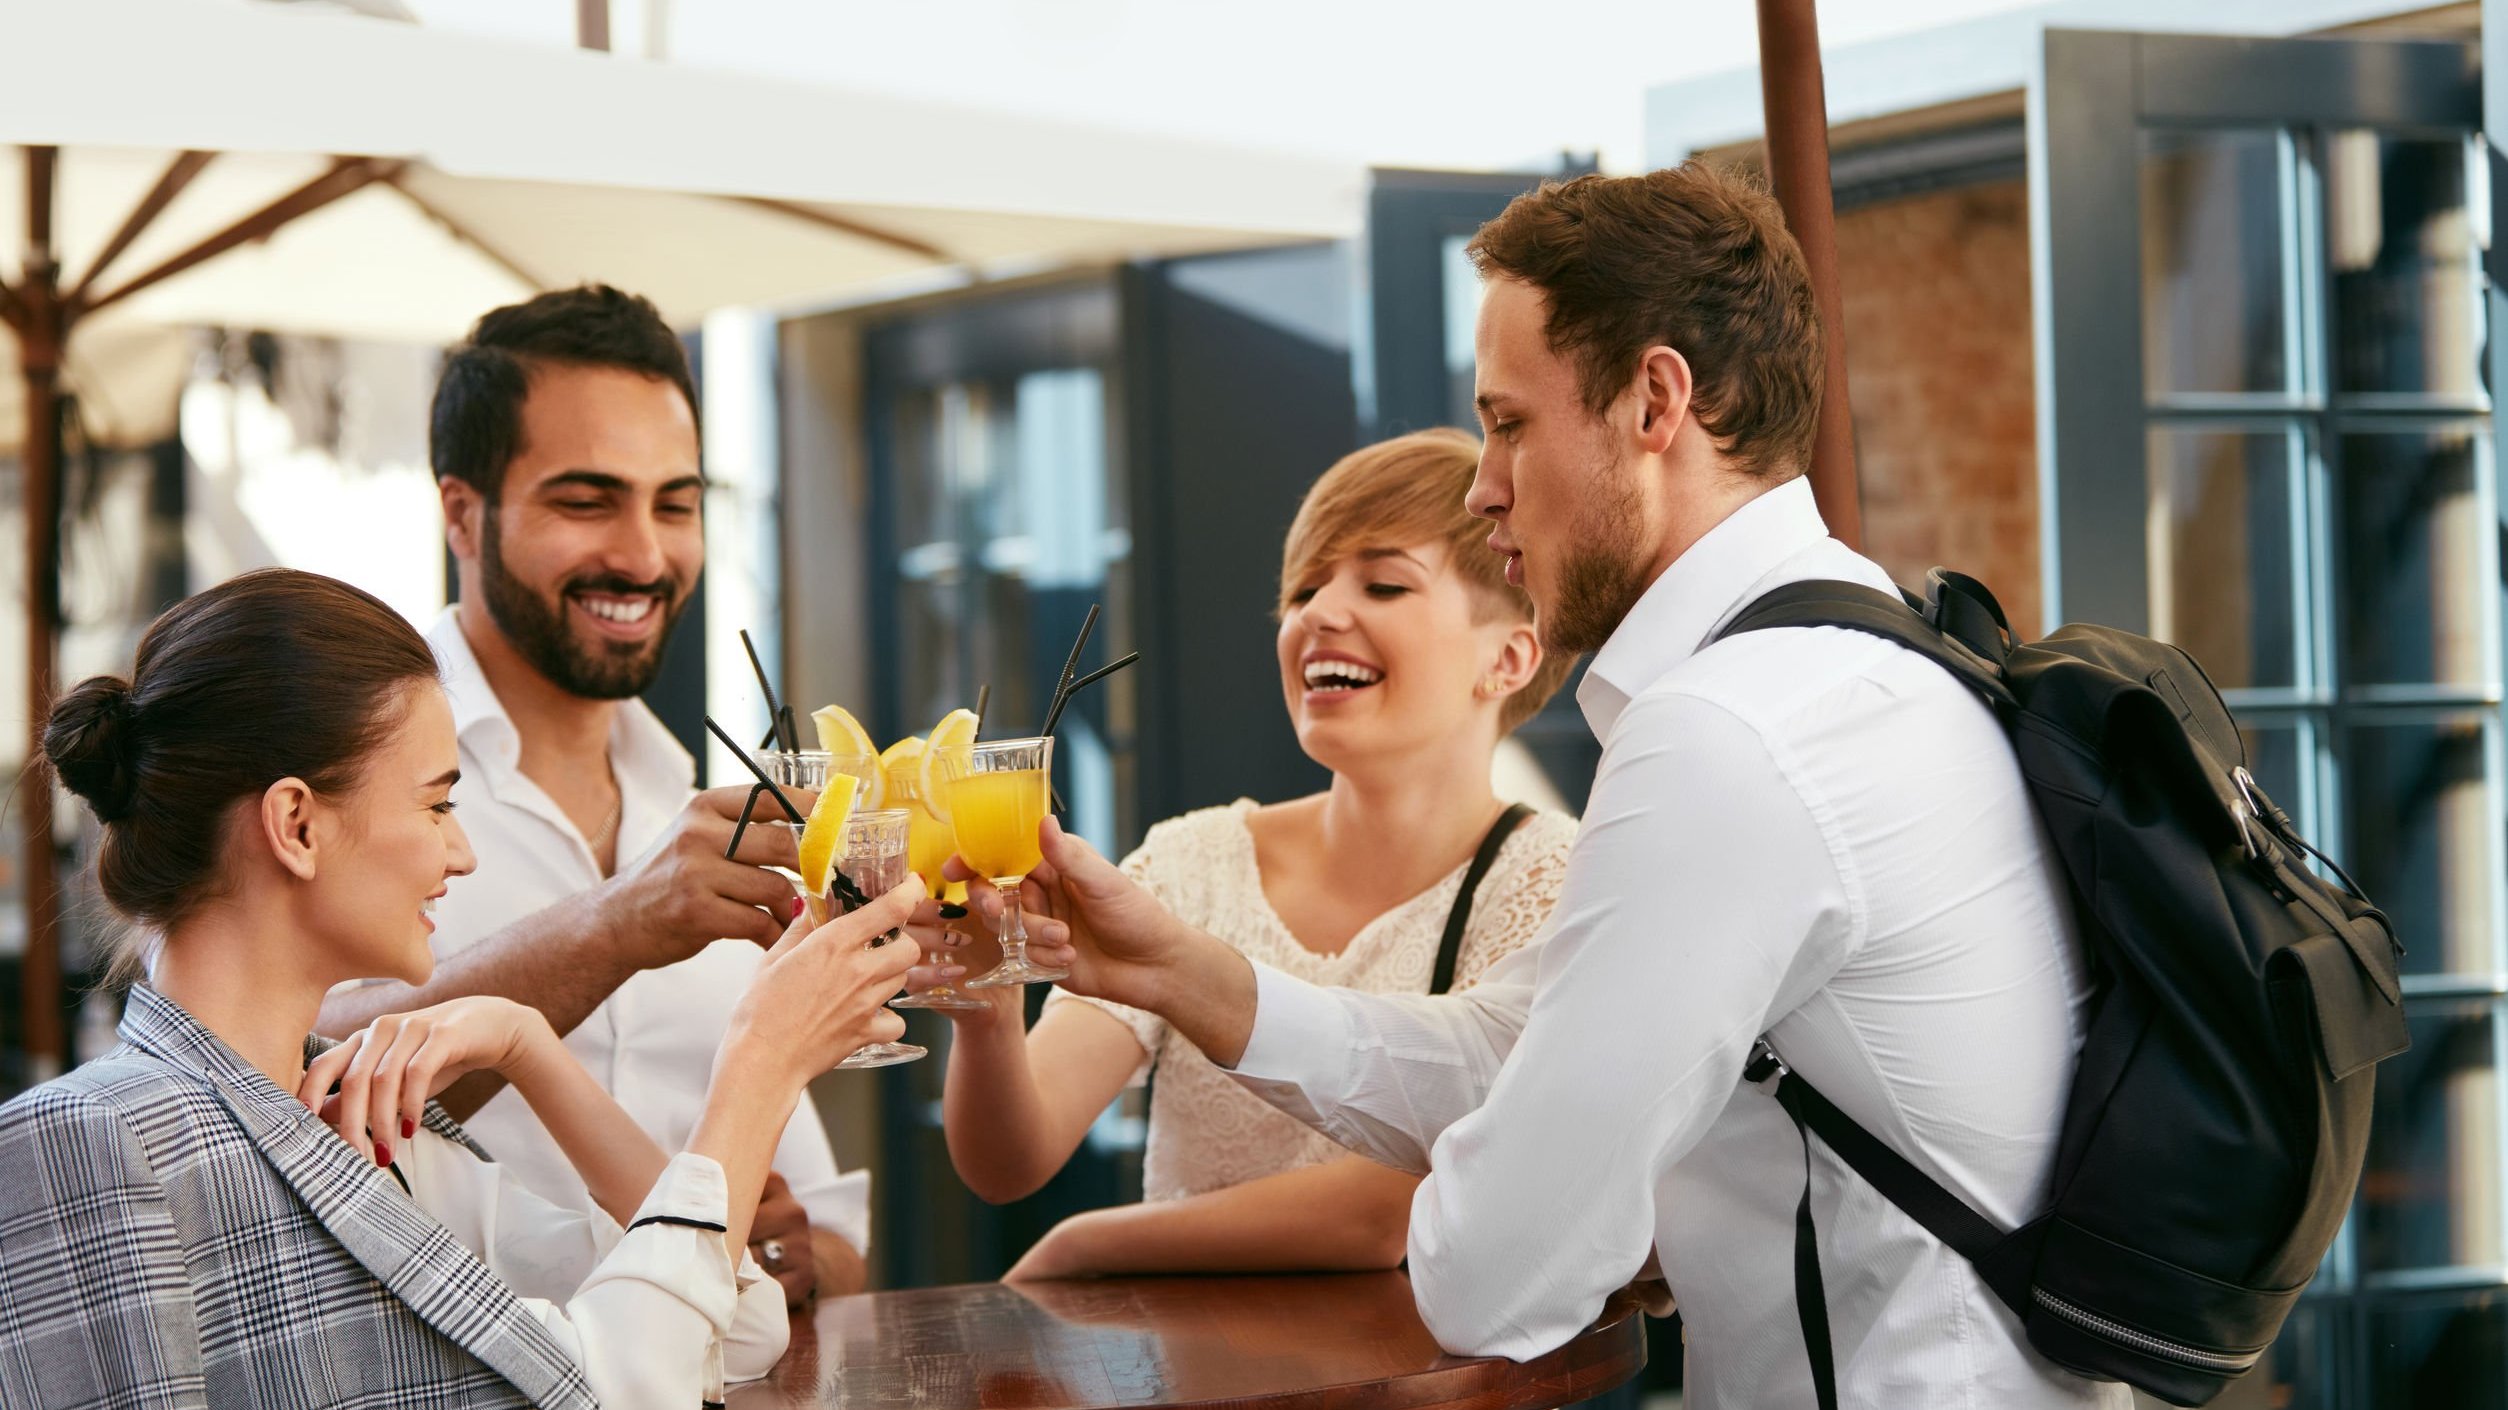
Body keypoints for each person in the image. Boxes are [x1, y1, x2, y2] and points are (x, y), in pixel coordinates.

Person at [950, 165, 2120, 1408]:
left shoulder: (1731, 736)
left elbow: (1500, 1276)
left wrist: (1469, 1208)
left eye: (1508, 422)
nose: (1483, 484)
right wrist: (1177, 972)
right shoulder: (1859, 656)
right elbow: (1514, 1047)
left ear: (1653, 402)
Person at [0, 568, 921, 1408]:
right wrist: (755, 1066)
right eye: (436, 804)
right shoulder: (88, 1136)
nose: (460, 852)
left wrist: (531, 1048)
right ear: (295, 824)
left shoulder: (357, 1116)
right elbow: (625, 1391)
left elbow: (738, 1333)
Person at [918, 430, 1578, 1279]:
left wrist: (1088, 1244)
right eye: (1303, 589)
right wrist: (988, 1009)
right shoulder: (1193, 860)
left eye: (1383, 583)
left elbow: (1405, 1200)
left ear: (1509, 659)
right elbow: (1010, 1162)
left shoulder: (1550, 877)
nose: (1319, 614)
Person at [318, 285, 865, 1306]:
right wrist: (616, 925)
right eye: (586, 500)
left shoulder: (705, 807)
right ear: (461, 515)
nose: (645, 556)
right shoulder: (333, 774)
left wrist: (786, 1263)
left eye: (677, 503)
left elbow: (826, 1227)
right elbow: (293, 1098)